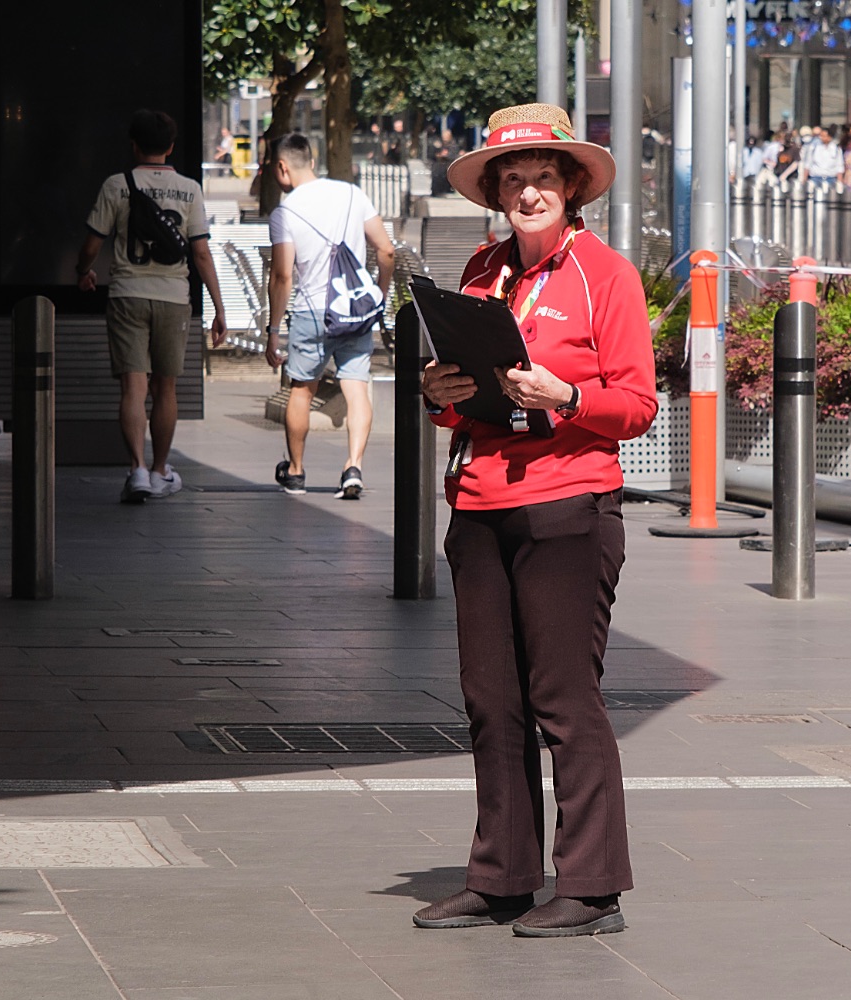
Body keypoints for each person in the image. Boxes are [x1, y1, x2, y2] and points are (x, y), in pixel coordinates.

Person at [412, 102, 656, 938]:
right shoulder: (481, 272)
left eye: (541, 176)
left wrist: (570, 395)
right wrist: (437, 396)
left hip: (568, 505)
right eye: (510, 178)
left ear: (572, 186)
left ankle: (591, 888)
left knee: (563, 699)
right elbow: (459, 400)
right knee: (491, 701)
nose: (525, 190)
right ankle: (504, 876)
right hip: (480, 503)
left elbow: (637, 405)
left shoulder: (606, 274)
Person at [76, 109, 228, 503]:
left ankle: (138, 470)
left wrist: (84, 271)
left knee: (133, 385)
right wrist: (218, 307)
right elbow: (201, 254)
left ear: (134, 145)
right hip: (174, 298)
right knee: (166, 388)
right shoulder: (189, 189)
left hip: (128, 293)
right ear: (171, 147)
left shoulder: (116, 185)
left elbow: (93, 243)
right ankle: (161, 470)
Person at [264, 132, 395, 499]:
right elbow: (386, 251)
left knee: (302, 390)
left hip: (311, 313)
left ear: (282, 167)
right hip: (353, 310)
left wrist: (273, 331)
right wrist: (378, 295)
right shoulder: (352, 194)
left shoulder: (285, 212)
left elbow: (283, 275)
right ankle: (353, 467)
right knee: (356, 388)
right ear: (313, 158)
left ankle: (296, 471)